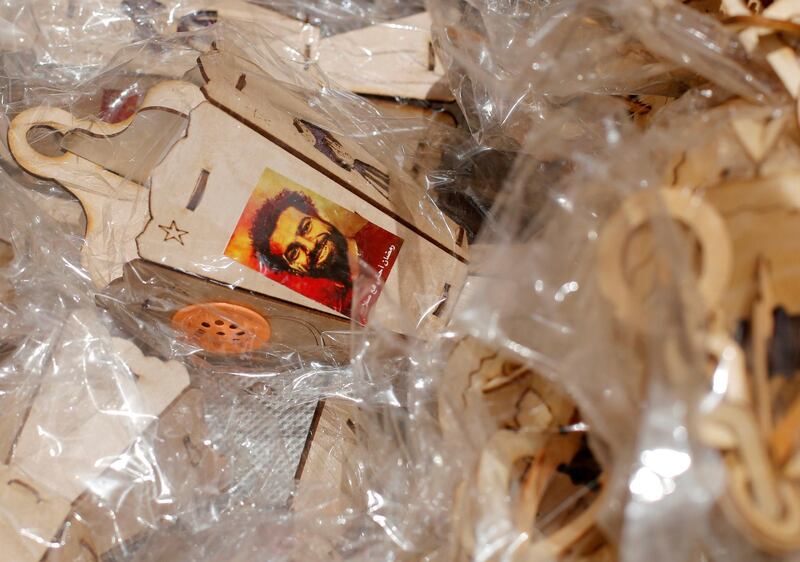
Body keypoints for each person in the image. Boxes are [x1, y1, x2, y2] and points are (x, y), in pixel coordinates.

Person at [250, 189, 402, 316]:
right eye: (294, 252)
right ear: (293, 269)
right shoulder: (344, 313)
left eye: (306, 227)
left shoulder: (384, 237)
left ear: (317, 216)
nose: (310, 246)